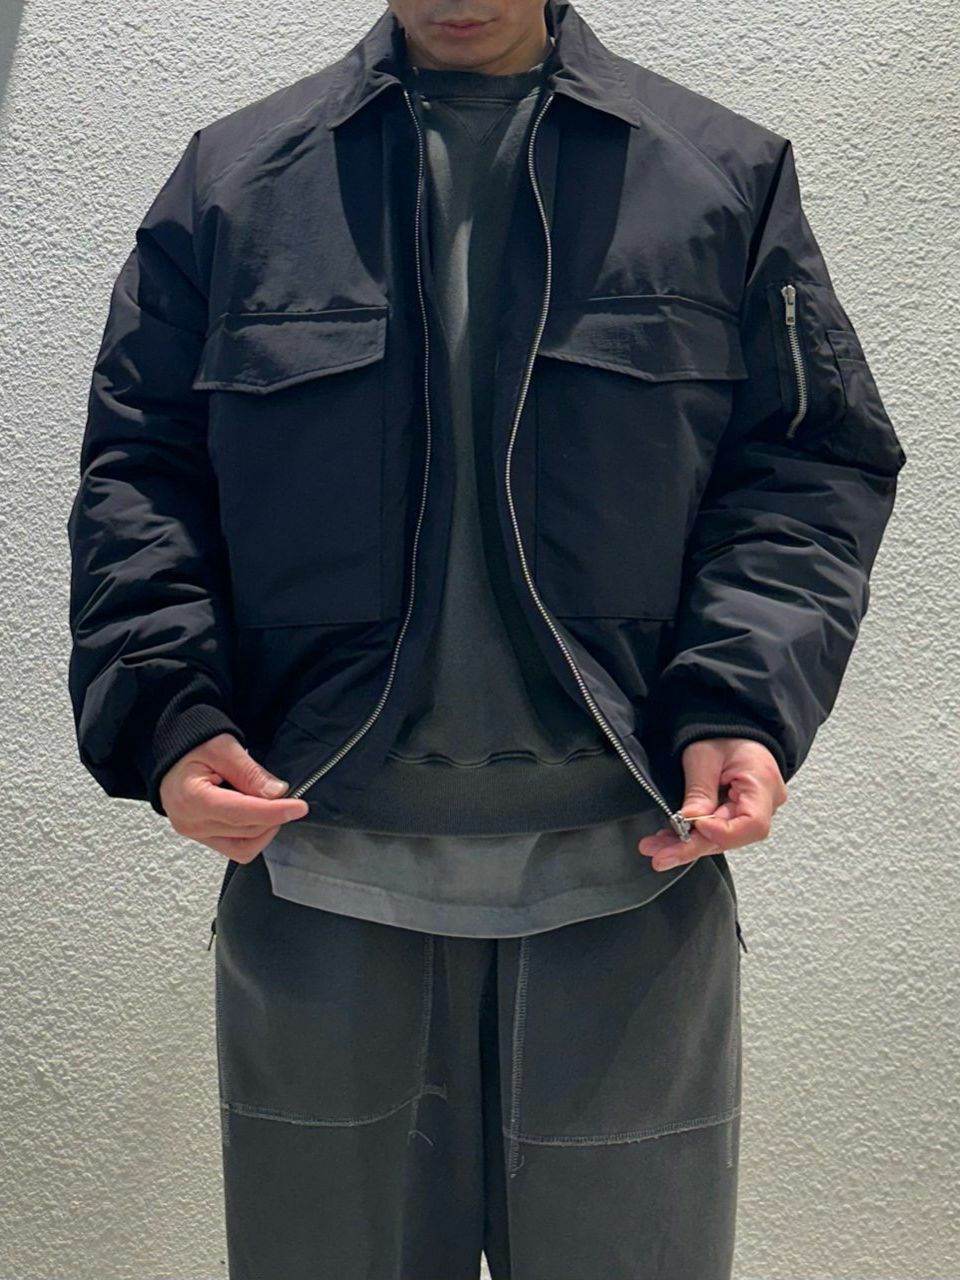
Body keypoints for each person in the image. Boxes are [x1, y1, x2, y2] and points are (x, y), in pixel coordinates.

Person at [65, 1, 906, 1276]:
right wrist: (171, 717)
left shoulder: (720, 175)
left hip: (630, 871)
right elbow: (141, 477)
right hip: (320, 864)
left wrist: (740, 703)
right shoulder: (235, 184)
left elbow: (805, 467)